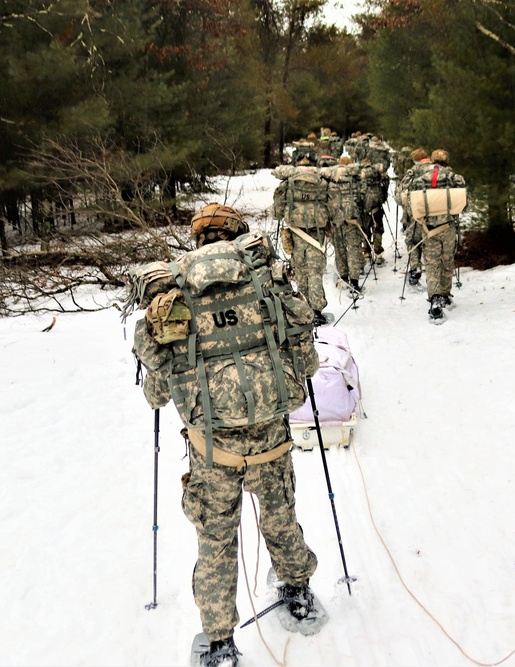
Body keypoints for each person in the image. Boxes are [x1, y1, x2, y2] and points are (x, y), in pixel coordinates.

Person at [127, 204, 324, 667]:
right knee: (279, 516)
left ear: (195, 241)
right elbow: (308, 361)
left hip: (212, 449)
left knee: (216, 537)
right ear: (238, 236)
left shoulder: (174, 296)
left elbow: (157, 392)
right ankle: (297, 592)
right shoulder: (263, 283)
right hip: (270, 435)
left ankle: (219, 642)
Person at [403, 149, 467, 322]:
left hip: (428, 228)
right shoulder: (454, 178)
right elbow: (464, 204)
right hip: (447, 227)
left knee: (431, 264)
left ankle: (435, 299)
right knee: (447, 260)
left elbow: (410, 206)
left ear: (432, 160)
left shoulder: (419, 179)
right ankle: (445, 294)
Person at [273, 157, 332, 326]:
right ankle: (317, 311)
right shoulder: (321, 182)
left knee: (300, 270)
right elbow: (331, 206)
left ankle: (303, 307)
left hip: (295, 233)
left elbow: (277, 210)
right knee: (315, 271)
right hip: (317, 235)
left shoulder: (288, 183)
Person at [323, 156, 366, 297]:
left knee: (339, 248)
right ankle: (354, 282)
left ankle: (343, 277)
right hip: (352, 218)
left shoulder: (330, 177)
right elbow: (362, 196)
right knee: (353, 248)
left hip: (336, 218)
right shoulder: (355, 178)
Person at [397, 148, 429, 288]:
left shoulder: (413, 172)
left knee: (413, 241)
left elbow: (401, 194)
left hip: (415, 213)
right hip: (435, 214)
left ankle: (415, 267)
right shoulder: (437, 171)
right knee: (431, 242)